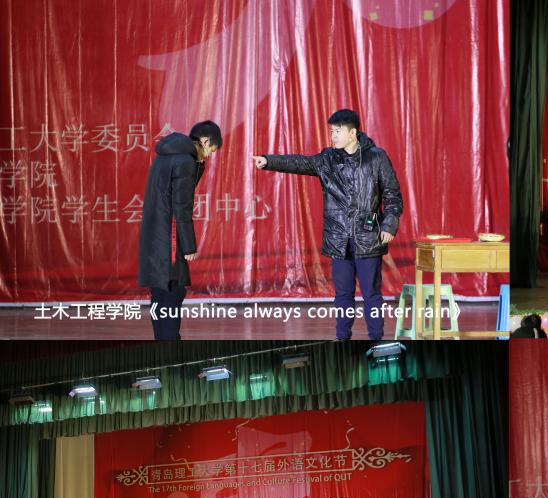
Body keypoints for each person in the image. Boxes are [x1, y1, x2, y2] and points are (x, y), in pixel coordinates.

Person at [253, 109, 403, 340]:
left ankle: (376, 339)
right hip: (338, 238)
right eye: (331, 131)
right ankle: (342, 337)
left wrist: (389, 225)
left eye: (337, 131)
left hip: (368, 237)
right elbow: (300, 162)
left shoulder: (376, 157)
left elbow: (392, 194)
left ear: (352, 133)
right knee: (342, 294)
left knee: (371, 294)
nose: (333, 136)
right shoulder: (328, 159)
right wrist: (269, 161)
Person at [137, 121, 222, 340]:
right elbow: (181, 207)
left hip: (155, 238)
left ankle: (163, 340)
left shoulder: (164, 157)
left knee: (159, 295)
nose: (209, 156)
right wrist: (189, 246)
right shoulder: (185, 162)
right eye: (211, 150)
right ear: (204, 141)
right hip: (171, 240)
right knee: (173, 293)